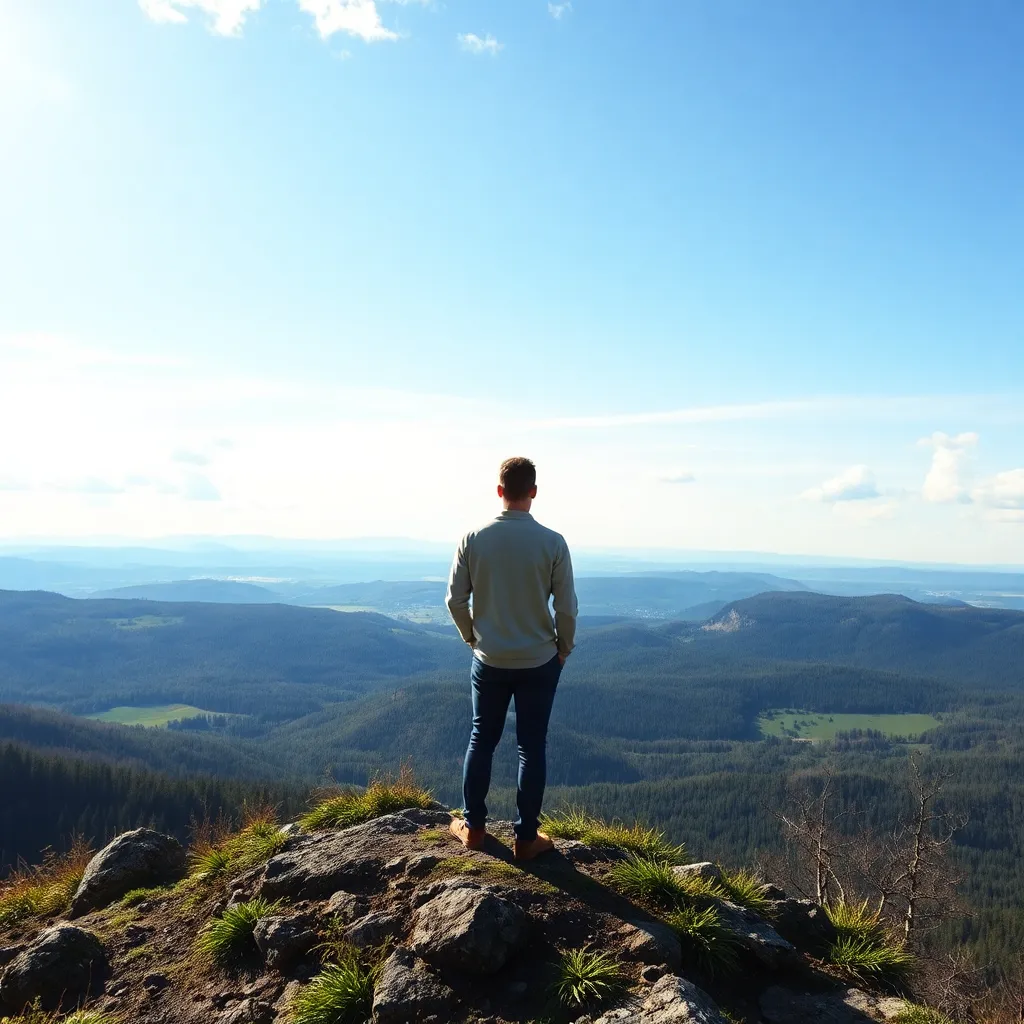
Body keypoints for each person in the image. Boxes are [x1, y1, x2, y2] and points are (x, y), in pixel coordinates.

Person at [445, 456, 578, 861]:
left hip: (490, 658)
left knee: (481, 738)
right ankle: (525, 839)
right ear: (533, 492)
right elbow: (567, 609)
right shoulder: (553, 543)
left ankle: (473, 829)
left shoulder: (473, 538)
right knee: (531, 746)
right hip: (539, 660)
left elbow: (455, 600)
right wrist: (562, 649)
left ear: (499, 490)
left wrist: (472, 638)